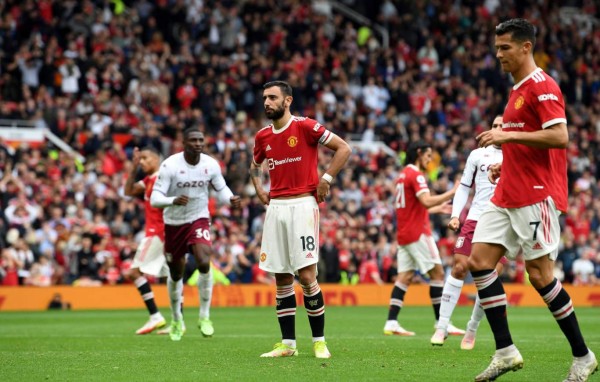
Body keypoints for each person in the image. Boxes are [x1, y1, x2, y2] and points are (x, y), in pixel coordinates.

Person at [468, 19, 597, 382]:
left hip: (535, 194)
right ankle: (506, 351)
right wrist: (505, 163)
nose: (499, 54)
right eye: (497, 48)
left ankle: (583, 356)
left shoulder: (543, 86)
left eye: (505, 47)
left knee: (540, 276)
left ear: (526, 47)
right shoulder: (516, 90)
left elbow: (560, 136)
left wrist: (506, 139)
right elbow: (526, 138)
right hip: (508, 189)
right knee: (479, 261)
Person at [250, 80, 351, 358]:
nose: (267, 103)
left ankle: (319, 341)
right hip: (276, 209)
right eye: (264, 98)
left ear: (288, 101)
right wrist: (259, 187)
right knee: (281, 277)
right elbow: (254, 165)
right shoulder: (262, 136)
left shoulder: (305, 126)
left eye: (272, 97)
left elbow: (343, 148)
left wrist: (327, 178)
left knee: (307, 276)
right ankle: (288, 345)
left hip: (303, 206)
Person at [150, 128, 241, 341]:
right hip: (173, 223)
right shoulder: (170, 165)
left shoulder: (210, 165)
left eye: (201, 140)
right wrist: (172, 200)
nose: (198, 143)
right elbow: (155, 198)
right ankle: (176, 319)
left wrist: (230, 199)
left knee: (203, 261)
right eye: (193, 140)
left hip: (198, 218)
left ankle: (204, 316)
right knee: (176, 273)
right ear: (184, 143)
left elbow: (222, 187)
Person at [430, 115, 506, 349]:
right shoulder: (477, 154)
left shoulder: (517, 153)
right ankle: (442, 327)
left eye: (502, 126)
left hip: (503, 220)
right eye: (494, 125)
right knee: (460, 267)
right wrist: (455, 214)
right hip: (475, 217)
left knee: (488, 277)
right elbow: (464, 186)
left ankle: (471, 329)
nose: (497, 129)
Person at [383, 140, 460, 337]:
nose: (429, 160)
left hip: (404, 233)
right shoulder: (415, 175)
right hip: (418, 233)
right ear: (419, 153)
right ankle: (442, 323)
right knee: (438, 273)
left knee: (405, 277)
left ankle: (391, 322)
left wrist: (437, 208)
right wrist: (452, 192)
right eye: (427, 156)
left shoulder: (402, 175)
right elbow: (425, 201)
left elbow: (414, 206)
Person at [123, 146, 169, 335]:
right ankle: (178, 322)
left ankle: (155, 316)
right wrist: (133, 168)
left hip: (157, 232)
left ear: (157, 160)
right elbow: (128, 191)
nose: (141, 162)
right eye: (139, 159)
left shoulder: (162, 179)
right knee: (171, 277)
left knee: (133, 272)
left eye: (145, 158)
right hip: (162, 233)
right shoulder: (148, 180)